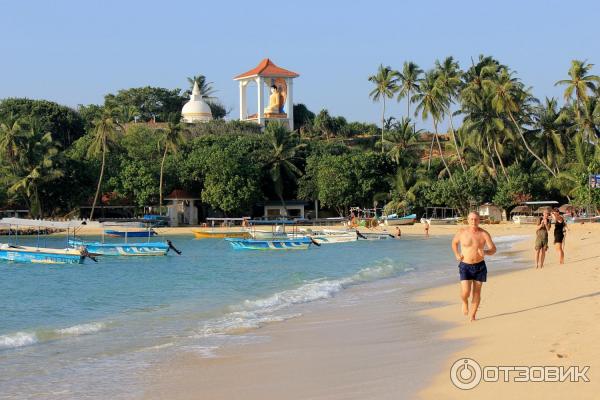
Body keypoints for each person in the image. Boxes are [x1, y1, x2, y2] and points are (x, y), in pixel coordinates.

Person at [451, 212, 497, 322]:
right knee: (466, 292)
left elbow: (493, 249)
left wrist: (485, 252)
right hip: (465, 266)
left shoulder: (484, 234)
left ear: (479, 220)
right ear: (467, 220)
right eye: (471, 219)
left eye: (476, 219)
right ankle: (464, 301)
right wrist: (457, 254)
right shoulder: (462, 232)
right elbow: (454, 243)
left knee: (477, 292)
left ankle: (473, 316)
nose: (473, 221)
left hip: (479, 266)